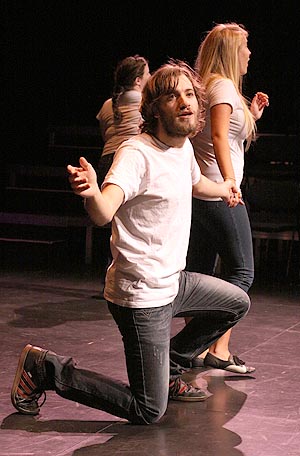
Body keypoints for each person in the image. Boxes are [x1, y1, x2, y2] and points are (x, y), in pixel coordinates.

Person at [11, 60, 251, 425]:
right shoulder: (136, 154)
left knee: (236, 302)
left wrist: (225, 189)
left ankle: (167, 366)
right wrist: (92, 192)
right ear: (154, 108)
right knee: (149, 410)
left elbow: (197, 183)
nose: (185, 102)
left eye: (189, 94)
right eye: (173, 97)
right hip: (141, 296)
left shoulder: (182, 148)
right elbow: (105, 210)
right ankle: (47, 369)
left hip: (175, 283)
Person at [185, 23, 269, 373]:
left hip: (210, 191)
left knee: (204, 275)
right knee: (242, 273)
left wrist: (252, 115)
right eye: (245, 47)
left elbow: (228, 135)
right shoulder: (221, 86)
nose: (249, 53)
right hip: (220, 191)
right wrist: (231, 182)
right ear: (232, 51)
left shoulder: (218, 87)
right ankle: (203, 346)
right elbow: (218, 136)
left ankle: (204, 348)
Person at [96, 54, 151, 185]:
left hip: (107, 159)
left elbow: (105, 135)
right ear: (138, 80)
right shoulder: (146, 101)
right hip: (131, 157)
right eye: (148, 74)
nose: (150, 77)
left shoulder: (107, 104)